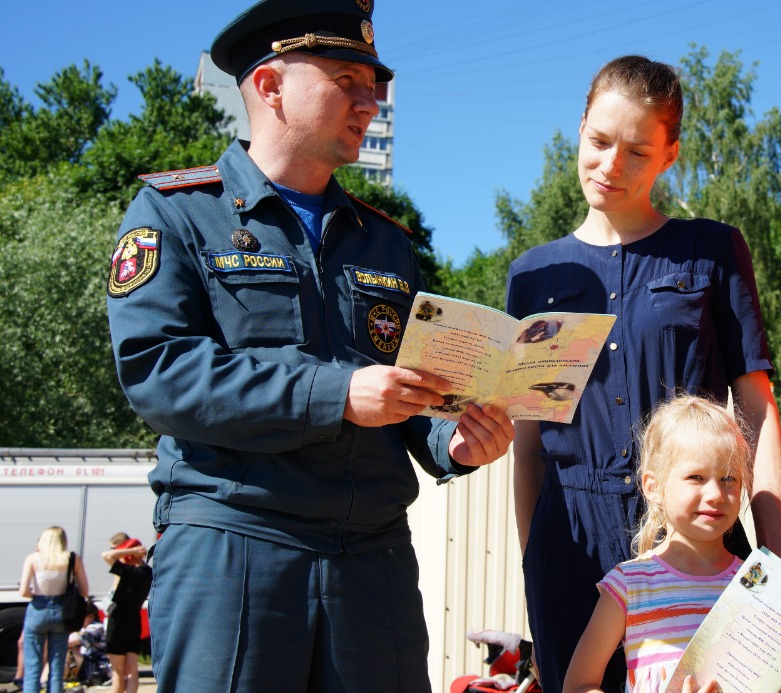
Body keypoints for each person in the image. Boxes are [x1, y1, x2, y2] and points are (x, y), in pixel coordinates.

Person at [104, 1, 515, 690]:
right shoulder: (175, 214)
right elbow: (160, 371)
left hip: (374, 563)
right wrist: (338, 393)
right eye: (346, 80)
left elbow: (410, 391)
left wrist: (454, 442)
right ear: (269, 86)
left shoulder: (386, 241)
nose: (370, 102)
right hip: (235, 548)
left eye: (373, 85)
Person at [505, 55, 781, 691]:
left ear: (670, 155)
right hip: (568, 541)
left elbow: (757, 409)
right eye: (600, 141)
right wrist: (535, 559)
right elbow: (529, 443)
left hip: (692, 536)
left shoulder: (712, 250)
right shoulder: (531, 276)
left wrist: (776, 558)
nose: (611, 166)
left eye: (638, 151)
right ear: (580, 128)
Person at [562, 396, 781, 693]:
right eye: (696, 477)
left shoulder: (761, 587)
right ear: (653, 487)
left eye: (729, 478)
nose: (715, 493)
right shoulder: (628, 584)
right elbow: (578, 684)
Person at [18, 526, 89, 693]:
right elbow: (84, 591)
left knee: (33, 667)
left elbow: (24, 591)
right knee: (56, 667)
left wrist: (36, 594)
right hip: (62, 612)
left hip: (38, 610)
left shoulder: (33, 558)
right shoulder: (72, 559)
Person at [101, 535, 152, 693]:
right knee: (132, 669)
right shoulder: (147, 573)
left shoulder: (128, 571)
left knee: (118, 671)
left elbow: (106, 556)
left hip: (118, 622)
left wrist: (129, 550)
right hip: (134, 621)